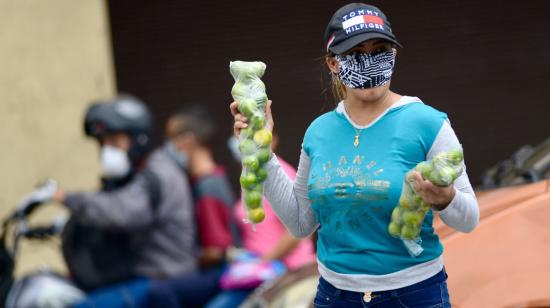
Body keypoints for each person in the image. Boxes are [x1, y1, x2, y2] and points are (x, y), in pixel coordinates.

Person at [230, 3, 479, 307]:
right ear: (333, 64)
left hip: (414, 295)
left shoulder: (428, 123)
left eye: (380, 49)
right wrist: (261, 151)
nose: (370, 61)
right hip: (334, 295)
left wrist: (445, 198)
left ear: (394, 54)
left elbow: (468, 220)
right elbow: (300, 223)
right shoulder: (319, 131)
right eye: (356, 53)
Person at [54, 94, 198, 307]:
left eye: (114, 141)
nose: (107, 150)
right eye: (103, 143)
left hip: (164, 278)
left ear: (139, 138)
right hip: (147, 276)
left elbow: (122, 211)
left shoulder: (158, 173)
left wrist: (68, 198)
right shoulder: (144, 171)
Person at [205, 132, 316, 308]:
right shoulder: (250, 175)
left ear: (273, 139)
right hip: (256, 274)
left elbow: (300, 230)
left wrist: (262, 262)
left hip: (286, 273)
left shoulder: (281, 174)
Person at [148, 105, 238, 308]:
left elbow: (214, 251)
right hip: (216, 270)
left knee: (160, 291)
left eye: (171, 138)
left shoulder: (207, 187)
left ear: (187, 140)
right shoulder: (207, 179)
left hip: (220, 272)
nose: (168, 146)